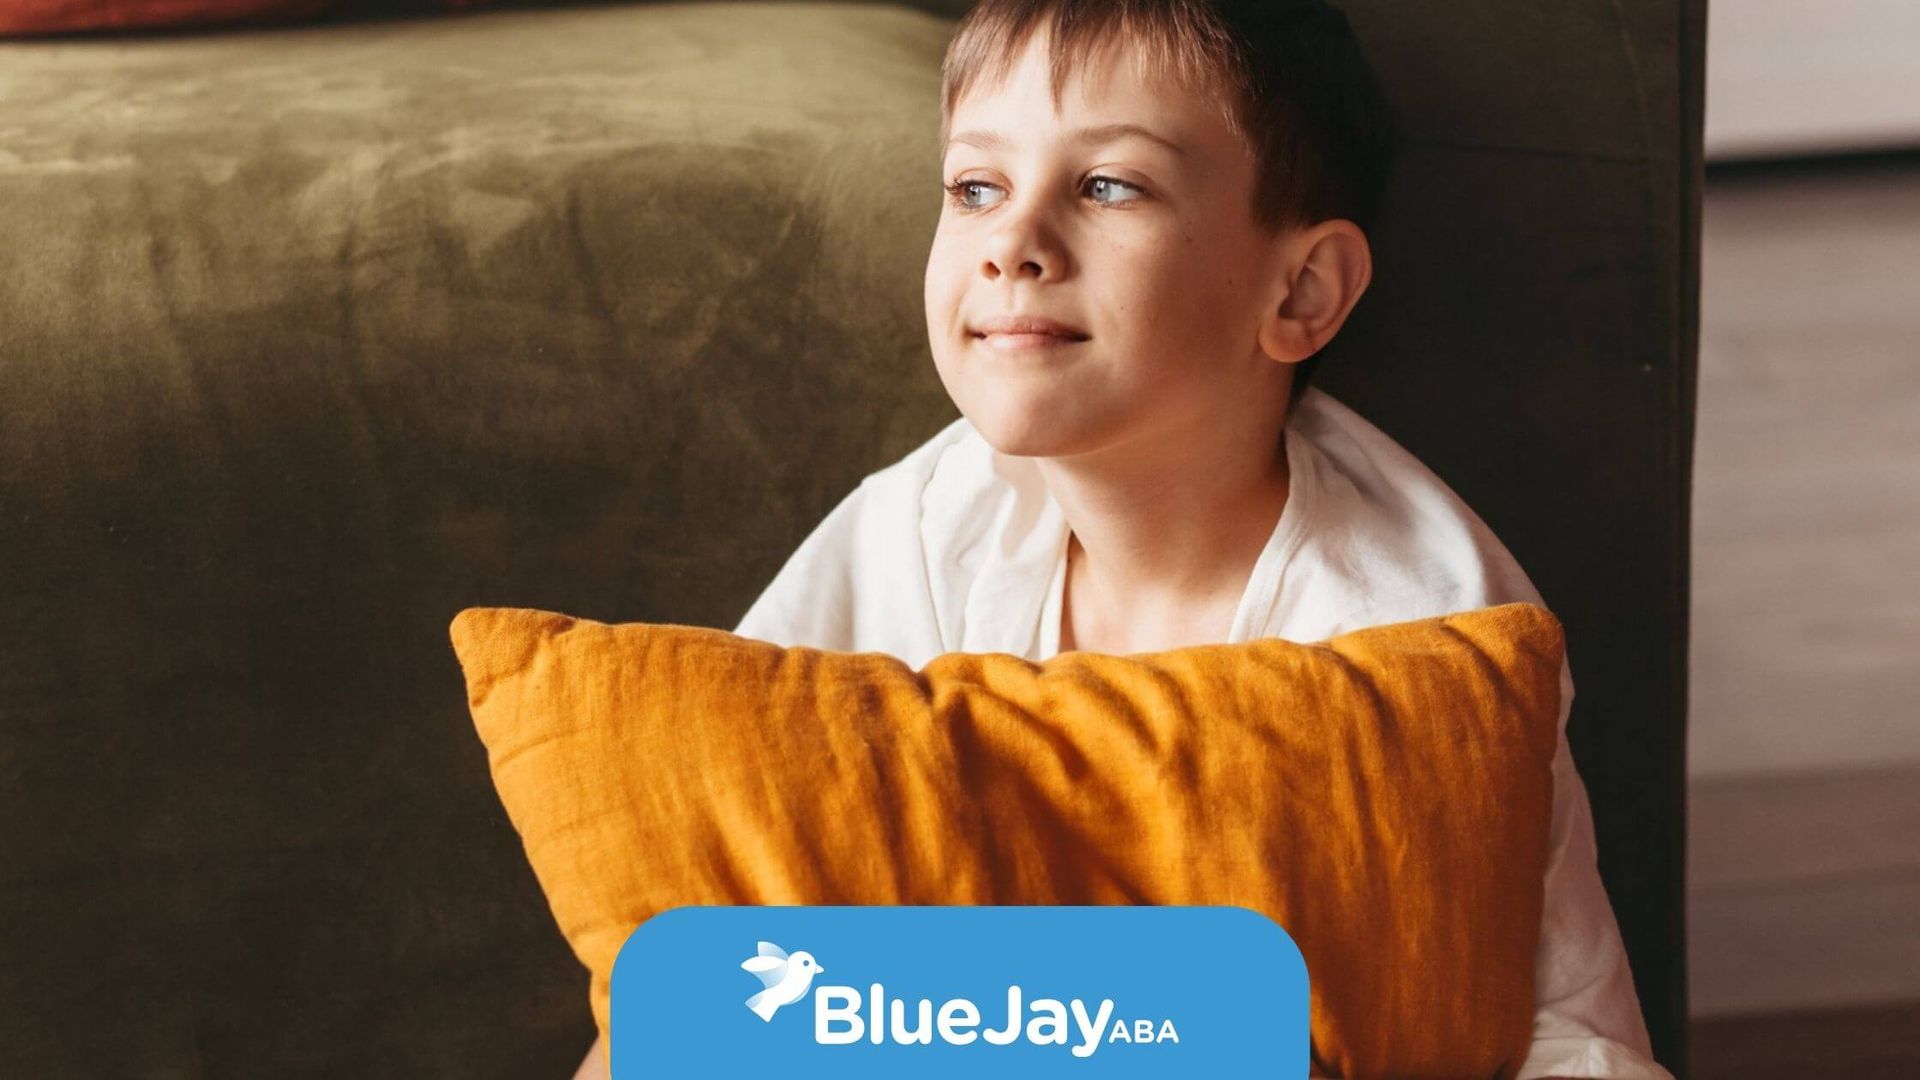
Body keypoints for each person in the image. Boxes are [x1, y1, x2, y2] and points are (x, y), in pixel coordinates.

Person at [577, 1, 1672, 1076]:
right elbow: (720, 888)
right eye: (975, 187)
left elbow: (1554, 1035)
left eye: (1109, 185)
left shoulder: (1412, 632)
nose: (1013, 241)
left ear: (1300, 289)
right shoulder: (925, 521)